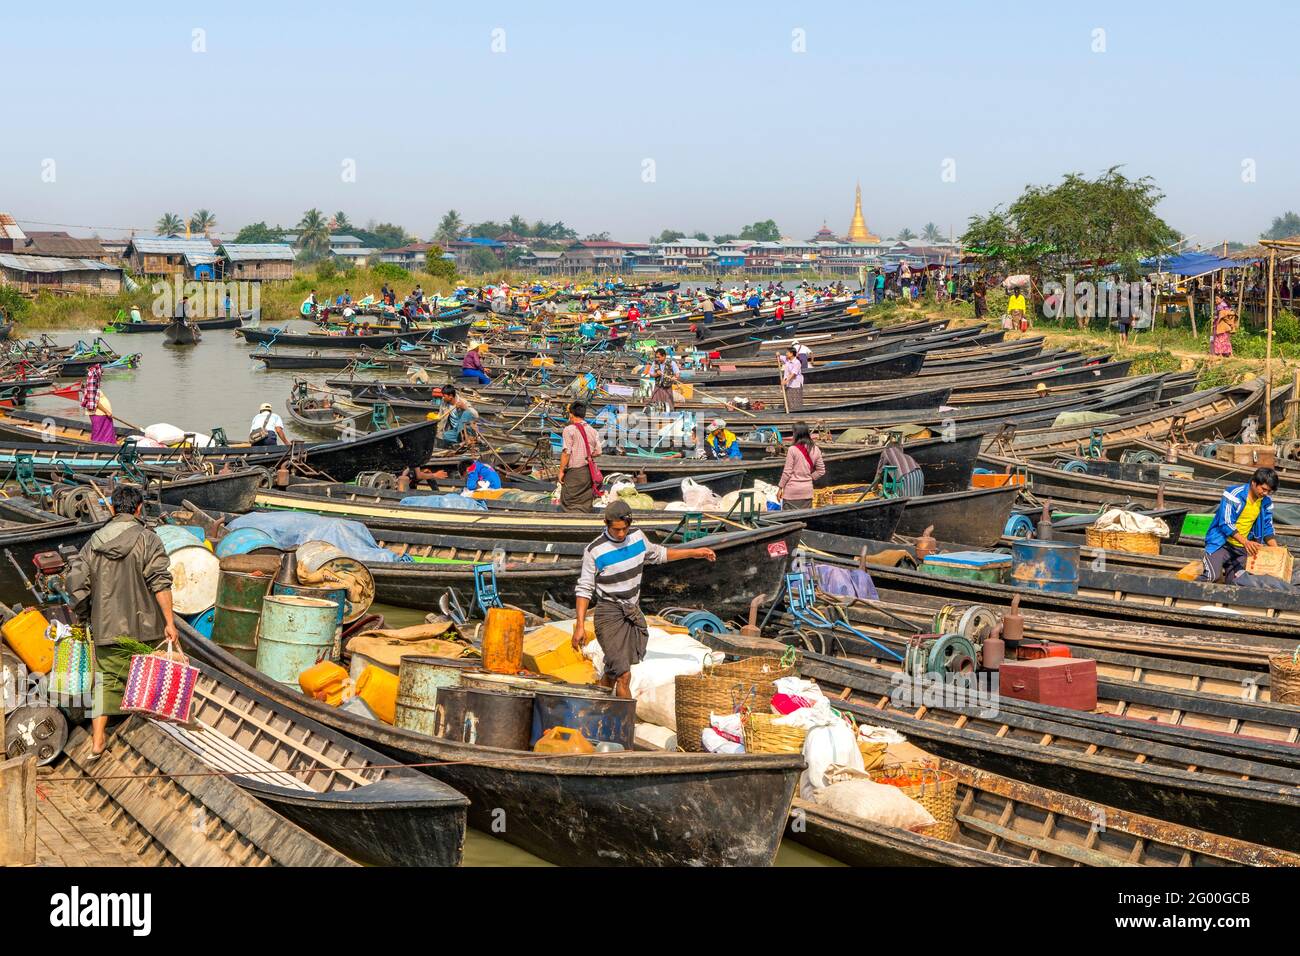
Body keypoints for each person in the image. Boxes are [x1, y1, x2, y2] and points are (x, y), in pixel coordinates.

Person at [67, 484, 177, 758]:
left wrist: (85, 614)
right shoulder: (149, 539)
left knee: (105, 681)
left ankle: (97, 741)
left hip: (106, 626)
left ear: (113, 509)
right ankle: (148, 735)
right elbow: (160, 583)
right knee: (148, 680)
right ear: (139, 509)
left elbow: (77, 584)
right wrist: (170, 622)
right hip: (146, 627)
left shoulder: (93, 542)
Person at [572, 499, 716, 698]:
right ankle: (626, 725)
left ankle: (597, 704)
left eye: (624, 529)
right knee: (624, 675)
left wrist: (694, 553)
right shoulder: (594, 550)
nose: (621, 534)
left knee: (614, 671)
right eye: (616, 530)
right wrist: (580, 625)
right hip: (609, 615)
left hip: (631, 611)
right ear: (606, 524)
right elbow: (584, 589)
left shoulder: (637, 538)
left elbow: (660, 554)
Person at [1202, 468, 1280, 585]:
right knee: (1212, 576)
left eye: (1269, 491)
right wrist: (1246, 542)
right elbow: (1226, 523)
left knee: (1238, 583)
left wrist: (1277, 551)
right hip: (1221, 544)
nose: (1265, 494)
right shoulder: (1234, 495)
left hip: (1242, 550)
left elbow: (1267, 527)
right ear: (1254, 483)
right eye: (1263, 489)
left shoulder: (1266, 502)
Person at [557, 401, 603, 512]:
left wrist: (561, 471)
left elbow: (566, 452)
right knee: (585, 501)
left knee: (568, 501)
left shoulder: (569, 430)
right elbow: (598, 452)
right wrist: (586, 454)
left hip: (575, 472)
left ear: (571, 414)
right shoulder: (592, 430)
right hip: (588, 472)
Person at [777, 422, 825, 510]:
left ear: (796, 434)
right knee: (805, 520)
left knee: (789, 520)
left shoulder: (792, 449)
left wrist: (780, 487)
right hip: (807, 492)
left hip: (792, 492)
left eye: (793, 433)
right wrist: (809, 477)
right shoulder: (816, 449)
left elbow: (787, 472)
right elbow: (821, 471)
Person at [80, 364, 116, 444]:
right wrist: (106, 411)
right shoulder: (92, 381)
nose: (102, 373)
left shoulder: (92, 383)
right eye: (101, 371)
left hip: (101, 413)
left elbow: (90, 395)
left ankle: (106, 446)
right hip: (99, 413)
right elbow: (94, 401)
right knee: (100, 434)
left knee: (103, 433)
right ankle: (101, 448)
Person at [780, 346, 805, 412]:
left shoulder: (797, 362)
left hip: (795, 384)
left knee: (795, 401)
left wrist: (785, 381)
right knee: (788, 401)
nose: (786, 353)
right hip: (788, 384)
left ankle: (797, 413)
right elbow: (779, 356)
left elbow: (793, 374)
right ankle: (789, 413)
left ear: (791, 354)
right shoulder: (787, 360)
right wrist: (777, 354)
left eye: (787, 352)